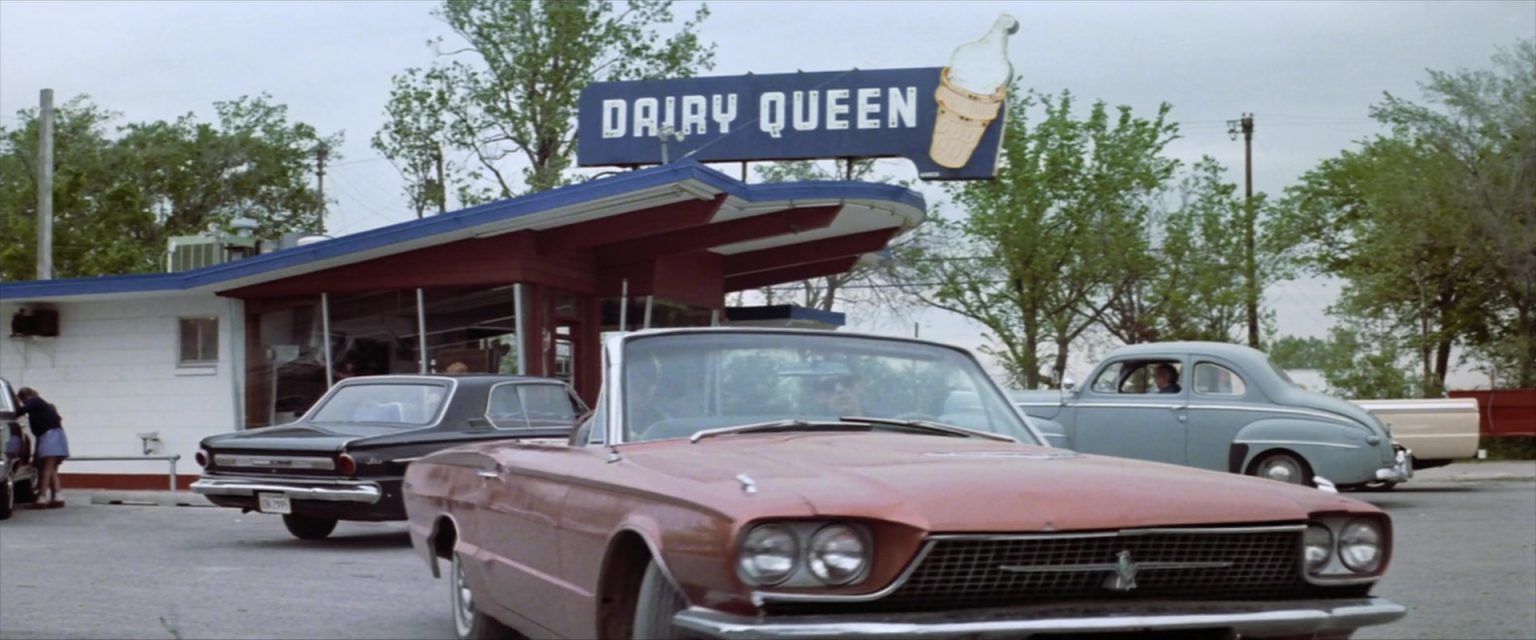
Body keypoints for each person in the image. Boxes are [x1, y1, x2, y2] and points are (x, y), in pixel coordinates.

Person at [16, 387, 67, 508]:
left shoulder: (34, 401)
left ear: (25, 396)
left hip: (49, 437)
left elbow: (21, 411)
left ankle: (42, 498)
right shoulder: (43, 405)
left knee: (45, 469)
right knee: (51, 468)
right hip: (57, 436)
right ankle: (58, 496)